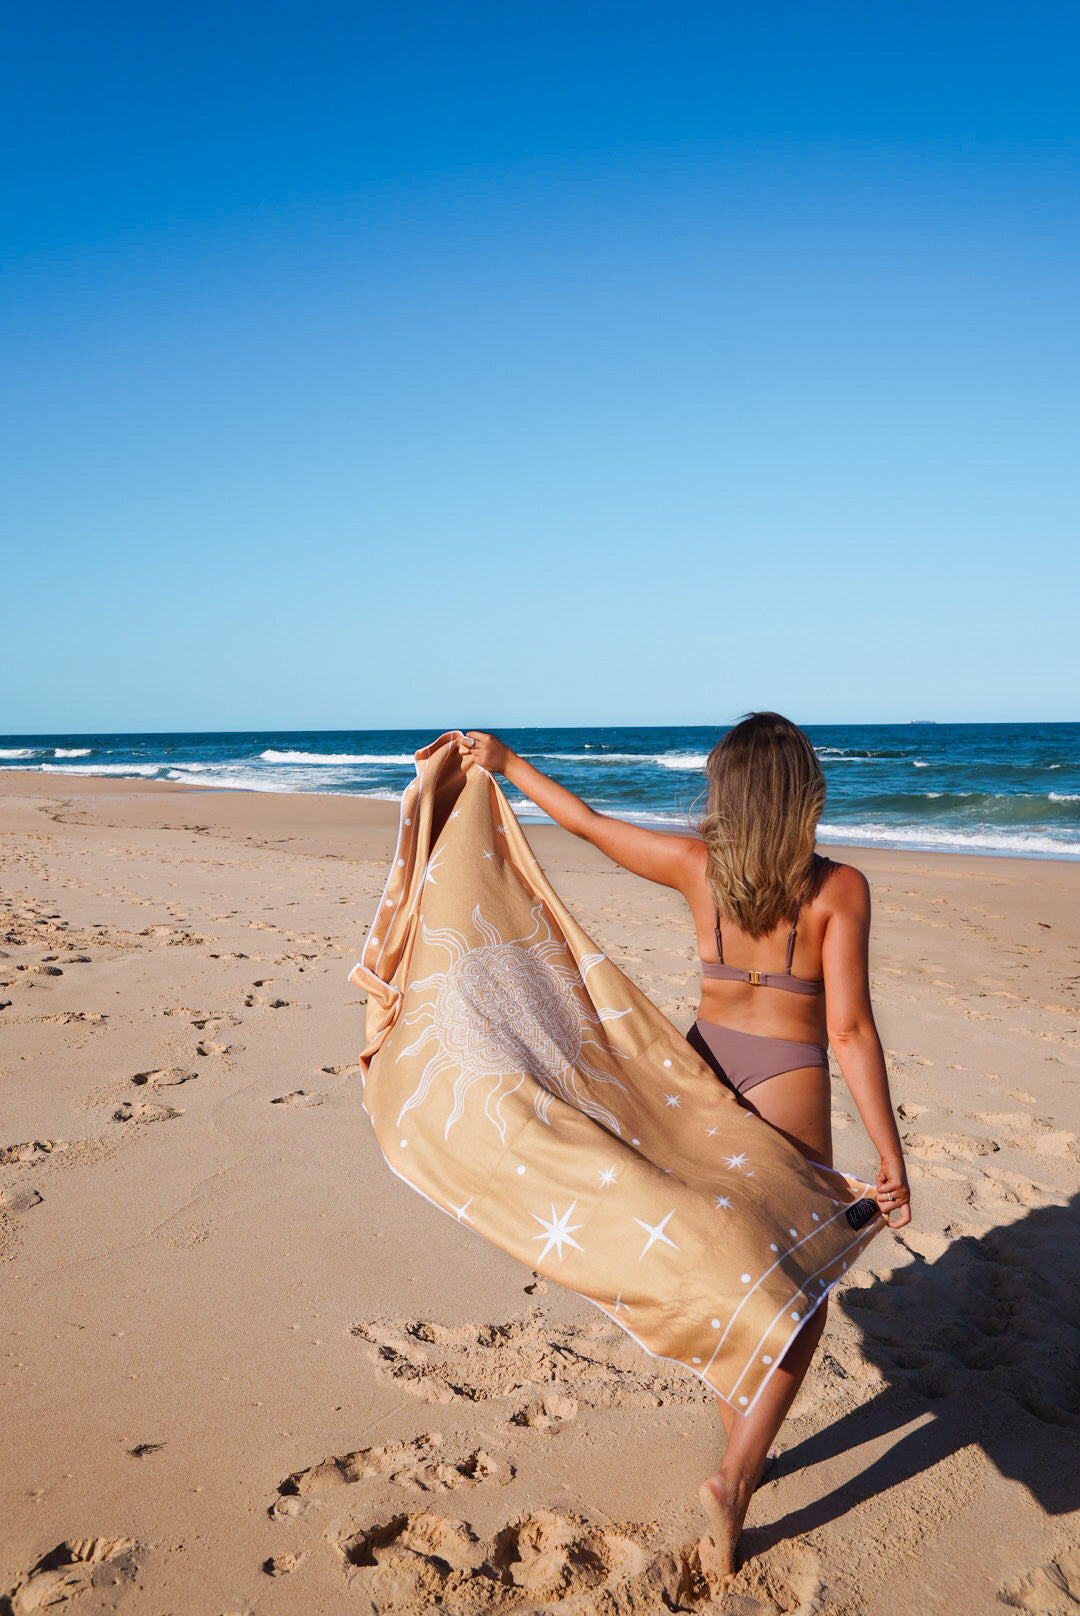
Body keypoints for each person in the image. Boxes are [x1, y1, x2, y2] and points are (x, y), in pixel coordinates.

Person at [457, 713, 911, 1583]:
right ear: (803, 792)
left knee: (729, 1269)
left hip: (700, 1082)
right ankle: (737, 1476)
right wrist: (889, 1156)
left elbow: (585, 825)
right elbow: (849, 1029)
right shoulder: (838, 889)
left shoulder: (697, 868)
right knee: (802, 1283)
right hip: (785, 1082)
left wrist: (508, 764)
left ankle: (742, 1431)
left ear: (729, 794)